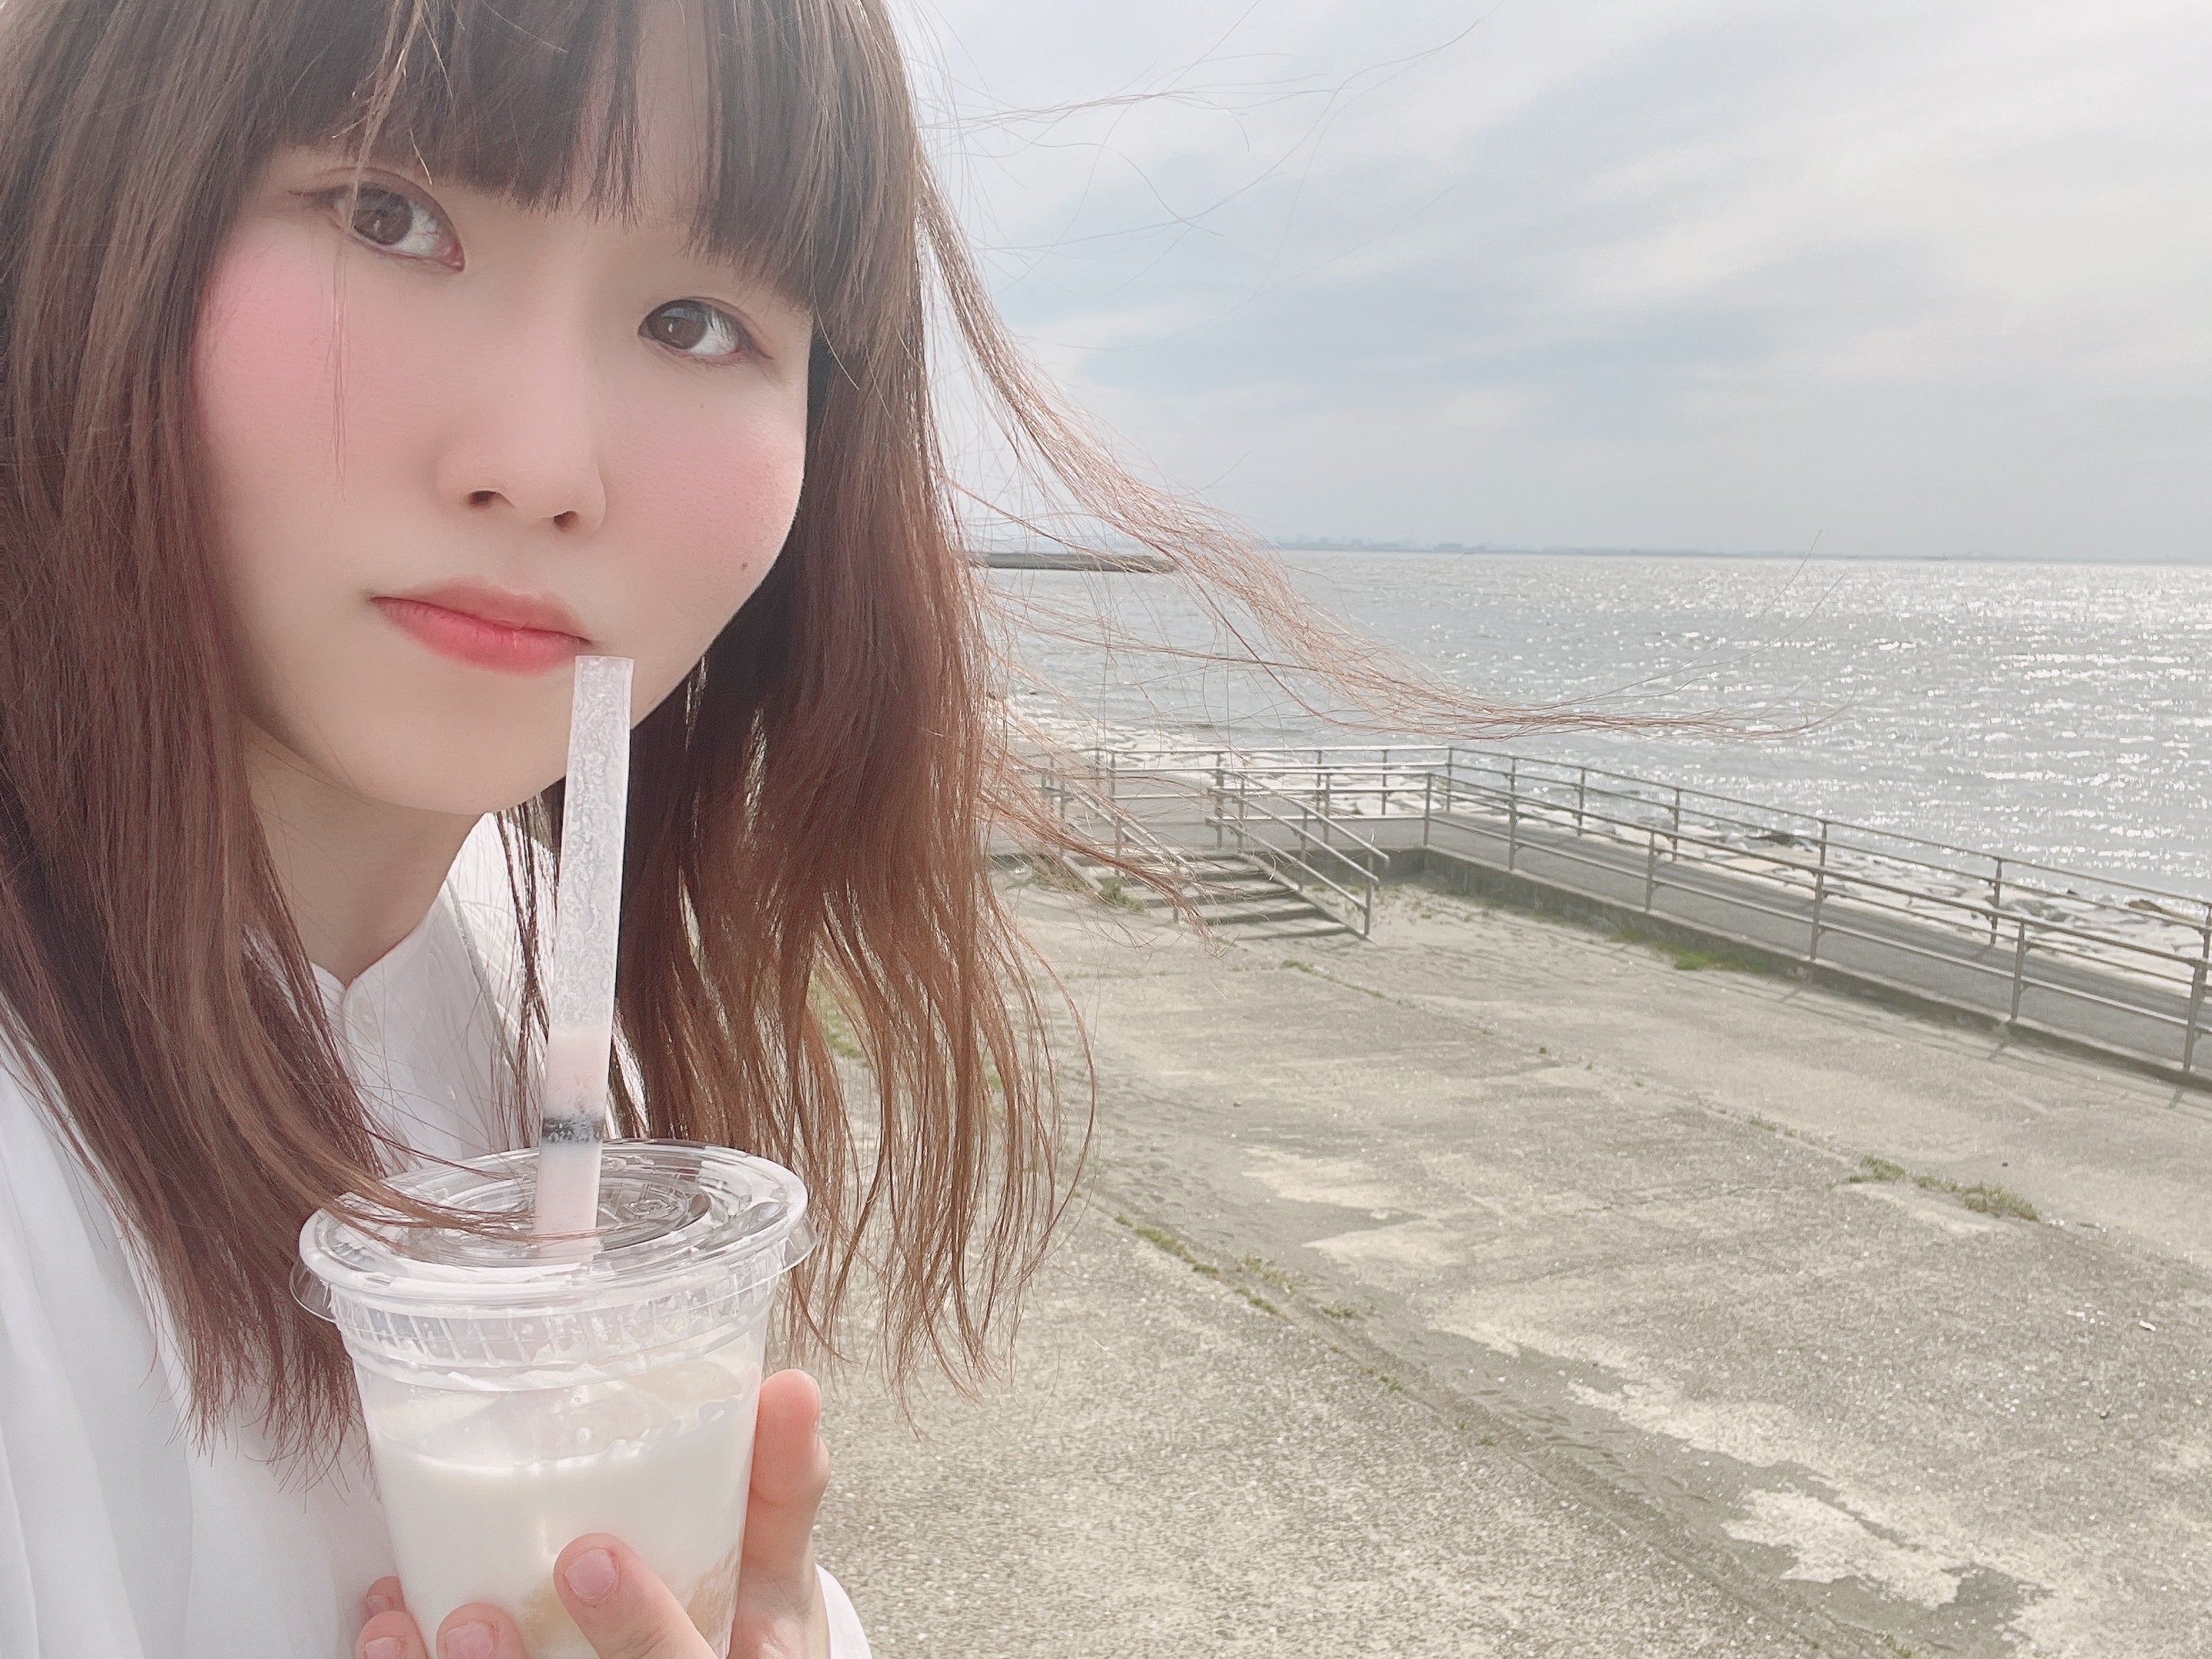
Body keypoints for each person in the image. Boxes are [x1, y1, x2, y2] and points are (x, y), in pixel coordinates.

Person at [0, 1, 1513, 1656]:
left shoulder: (522, 969)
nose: (542, 466)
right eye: (388, 215)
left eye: (696, 320)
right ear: (92, 198)